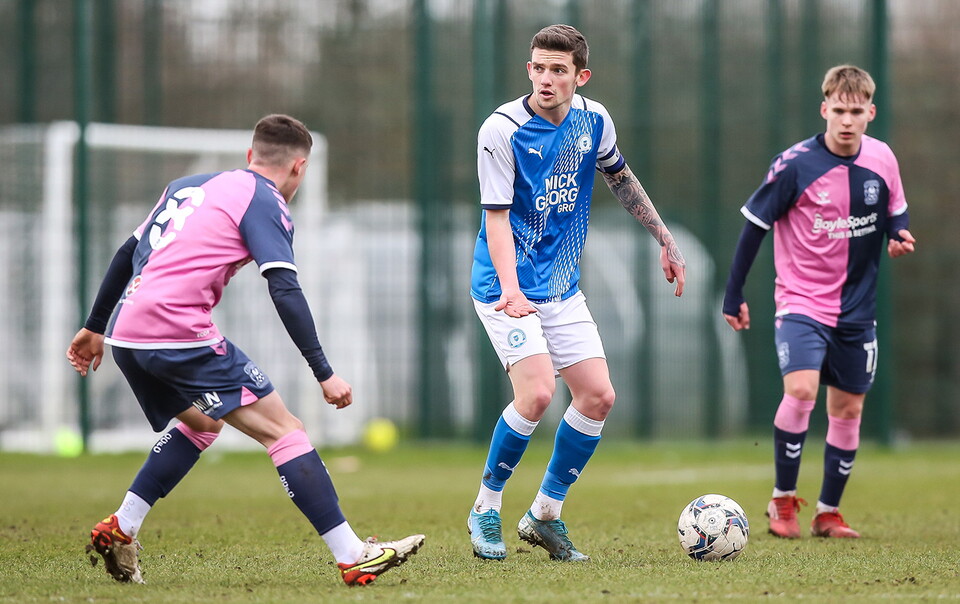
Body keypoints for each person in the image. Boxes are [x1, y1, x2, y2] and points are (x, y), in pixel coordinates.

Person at [66, 114, 423, 586]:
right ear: (299, 167)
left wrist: (94, 327)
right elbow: (285, 290)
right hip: (177, 331)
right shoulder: (264, 199)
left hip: (127, 333)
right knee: (284, 431)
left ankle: (123, 525)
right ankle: (353, 554)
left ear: (250, 155)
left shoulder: (187, 185)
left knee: (202, 424)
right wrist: (324, 372)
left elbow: (124, 254)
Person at [467, 24, 686, 561]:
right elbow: (495, 220)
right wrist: (514, 291)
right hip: (503, 285)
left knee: (597, 396)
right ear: (529, 70)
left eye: (558, 70)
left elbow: (620, 177)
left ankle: (544, 513)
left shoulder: (595, 120)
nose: (546, 79)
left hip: (561, 286)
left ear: (579, 76)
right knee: (538, 393)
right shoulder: (501, 129)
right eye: (538, 67)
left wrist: (665, 238)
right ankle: (485, 507)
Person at [722, 65, 916, 539]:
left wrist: (898, 236)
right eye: (838, 110)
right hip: (801, 302)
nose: (846, 120)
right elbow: (754, 227)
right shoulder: (794, 164)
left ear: (870, 113)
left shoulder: (882, 159)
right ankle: (782, 502)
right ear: (824, 109)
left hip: (858, 308)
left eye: (856, 112)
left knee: (848, 409)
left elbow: (896, 213)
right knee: (803, 390)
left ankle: (828, 512)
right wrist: (734, 293)